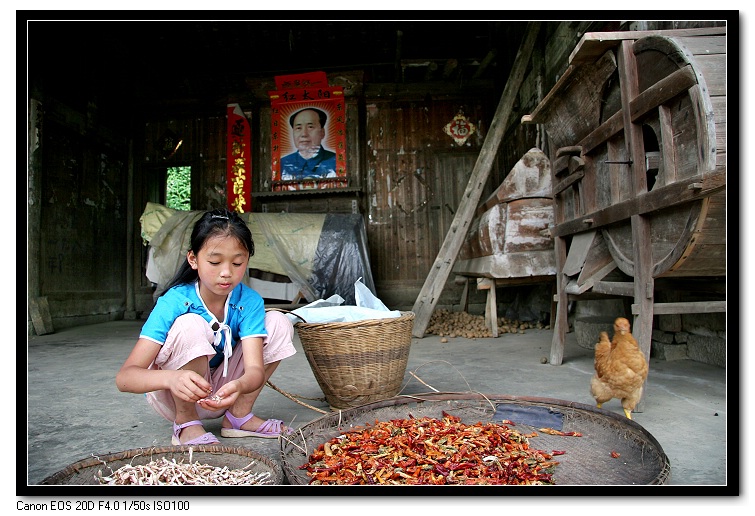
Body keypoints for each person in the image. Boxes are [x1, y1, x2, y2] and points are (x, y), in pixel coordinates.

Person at [116, 208, 296, 445]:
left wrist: (240, 385)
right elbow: (125, 378)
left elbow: (254, 370)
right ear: (193, 259)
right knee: (189, 324)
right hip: (176, 392)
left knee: (279, 322)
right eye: (214, 261)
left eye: (237, 262)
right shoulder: (174, 301)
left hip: (224, 392)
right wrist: (172, 379)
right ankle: (186, 423)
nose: (226, 273)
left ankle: (239, 417)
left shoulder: (248, 300)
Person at [280, 107, 337, 180]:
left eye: (310, 127)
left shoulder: (336, 161)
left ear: (322, 132)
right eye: (298, 128)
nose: (304, 134)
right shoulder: (282, 164)